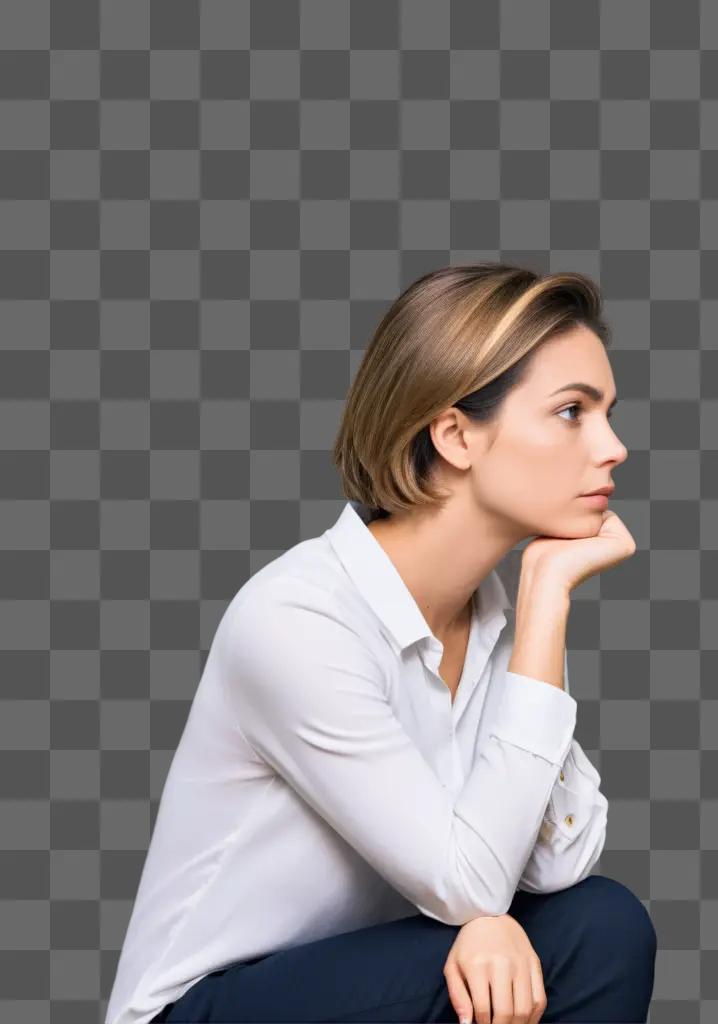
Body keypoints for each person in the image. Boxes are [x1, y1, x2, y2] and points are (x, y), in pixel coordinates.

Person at [104, 263, 655, 1024]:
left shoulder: (495, 623)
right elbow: (469, 887)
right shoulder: (299, 618)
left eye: (608, 413)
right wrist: (482, 918)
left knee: (604, 924)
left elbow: (560, 863)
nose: (613, 446)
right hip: (204, 1011)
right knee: (562, 939)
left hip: (379, 989)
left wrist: (540, 619)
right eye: (572, 412)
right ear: (457, 434)